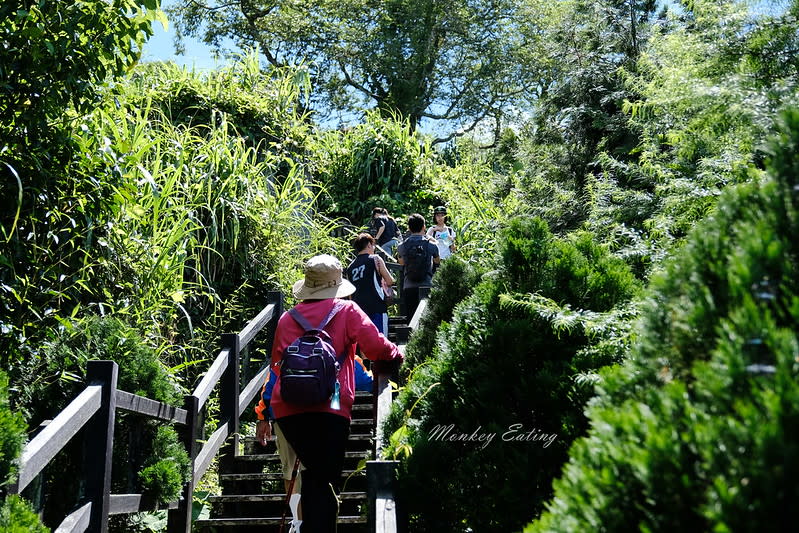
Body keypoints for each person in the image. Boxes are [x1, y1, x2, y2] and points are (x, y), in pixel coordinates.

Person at [255, 254, 402, 532]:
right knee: (324, 478)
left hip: (289, 411)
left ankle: (311, 525)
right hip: (330, 409)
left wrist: (265, 411)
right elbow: (377, 348)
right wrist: (397, 355)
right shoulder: (347, 311)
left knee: (315, 477)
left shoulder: (287, 319)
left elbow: (276, 367)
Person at [345, 233, 395, 335]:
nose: (374, 248)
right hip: (377, 306)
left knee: (365, 345)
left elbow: (350, 295)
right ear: (368, 244)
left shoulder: (350, 267)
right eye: (373, 245)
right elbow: (390, 280)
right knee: (381, 341)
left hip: (359, 310)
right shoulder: (375, 259)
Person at [396, 214, 439, 320]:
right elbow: (437, 261)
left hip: (409, 285)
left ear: (409, 228)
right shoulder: (431, 245)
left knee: (411, 318)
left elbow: (401, 263)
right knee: (426, 318)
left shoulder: (402, 246)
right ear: (424, 227)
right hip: (427, 284)